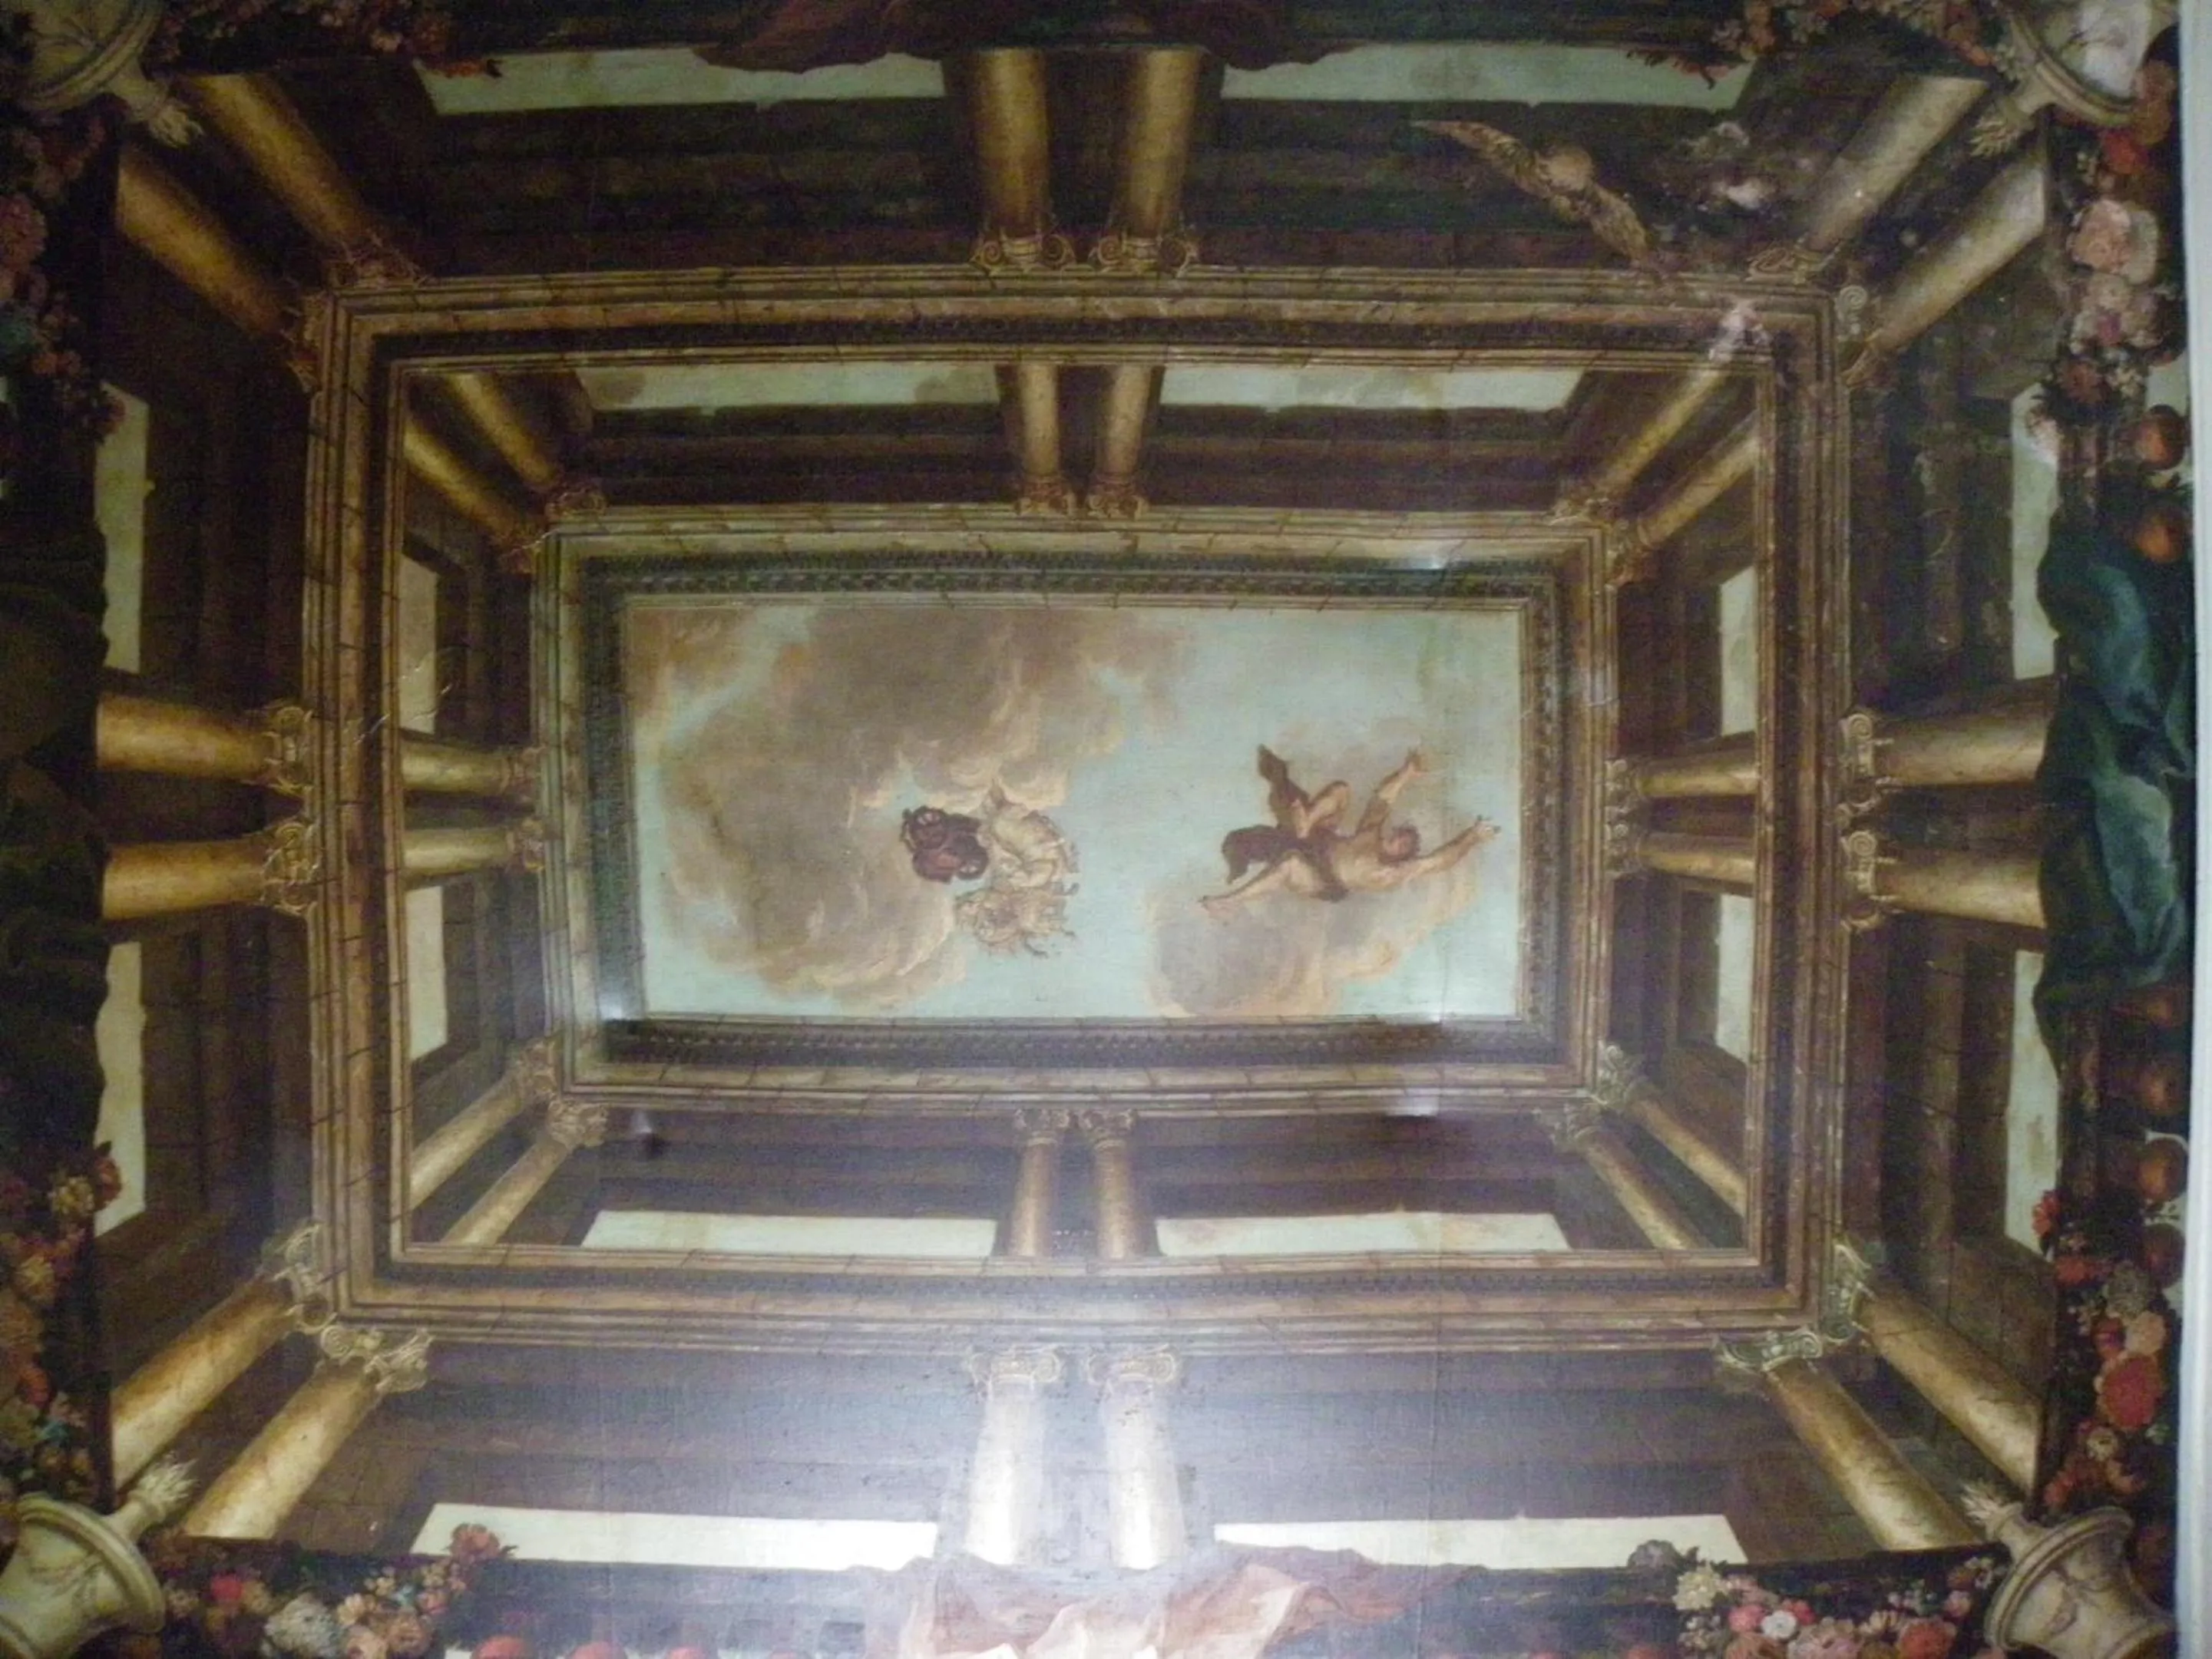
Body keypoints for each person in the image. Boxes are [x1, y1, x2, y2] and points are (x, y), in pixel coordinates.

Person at [1202, 746, 1496, 916]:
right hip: (1316, 840)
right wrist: (1405, 775)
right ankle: (1305, 823)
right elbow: (1383, 797)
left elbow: (1438, 861)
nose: (1393, 838)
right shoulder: (1371, 837)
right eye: (1397, 834)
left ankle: (1227, 903)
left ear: (1403, 854)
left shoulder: (1390, 872)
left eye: (1401, 843)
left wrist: (1472, 837)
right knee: (1342, 791)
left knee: (1290, 863)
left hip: (1322, 878)